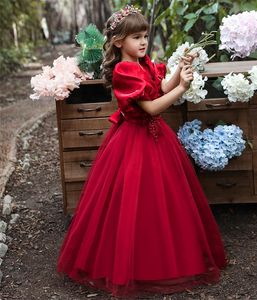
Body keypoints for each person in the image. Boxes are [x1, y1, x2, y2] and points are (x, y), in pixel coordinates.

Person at [57, 4, 228, 298]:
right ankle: (133, 264)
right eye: (136, 37)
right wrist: (182, 89)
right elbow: (150, 107)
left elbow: (160, 87)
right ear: (119, 42)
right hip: (133, 141)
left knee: (163, 199)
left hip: (158, 139)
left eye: (145, 35)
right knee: (132, 202)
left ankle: (164, 255)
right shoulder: (124, 70)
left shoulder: (144, 63)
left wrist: (179, 72)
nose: (143, 42)